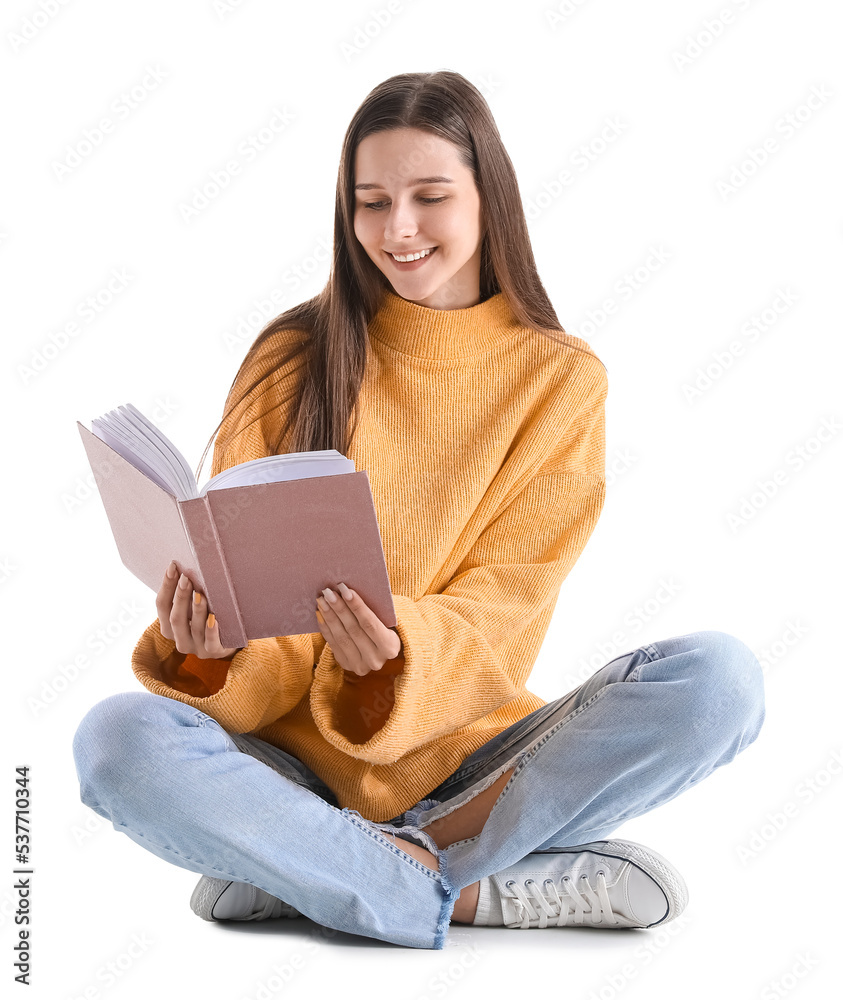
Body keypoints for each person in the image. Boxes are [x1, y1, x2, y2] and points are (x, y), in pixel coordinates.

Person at [71, 70, 765, 950]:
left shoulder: (559, 380)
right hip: (289, 770)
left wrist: (390, 663)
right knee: (118, 739)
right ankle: (457, 890)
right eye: (370, 202)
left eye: (429, 196)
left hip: (473, 762)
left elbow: (505, 609)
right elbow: (250, 592)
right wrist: (209, 656)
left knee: (718, 682)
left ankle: (325, 873)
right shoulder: (293, 356)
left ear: (489, 198)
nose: (396, 230)